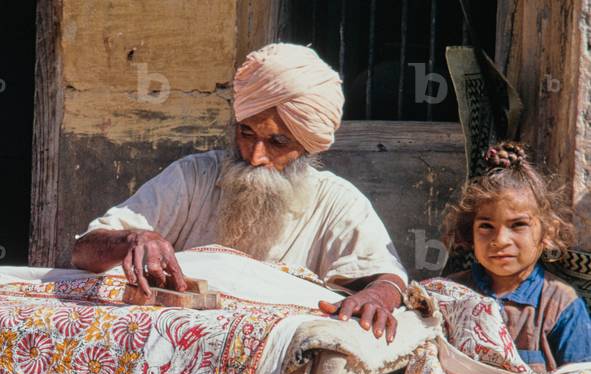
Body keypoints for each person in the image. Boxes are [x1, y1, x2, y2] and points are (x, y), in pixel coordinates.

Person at [71, 43, 407, 342]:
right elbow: (83, 252)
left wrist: (378, 296)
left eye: (277, 142)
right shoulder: (193, 177)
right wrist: (132, 239)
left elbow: (388, 277)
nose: (255, 155)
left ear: (306, 148)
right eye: (246, 133)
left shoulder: (336, 201)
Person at [442, 142, 591, 373]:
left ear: (548, 232)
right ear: (469, 232)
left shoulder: (560, 304)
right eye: (486, 226)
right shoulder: (451, 295)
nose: (500, 240)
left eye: (518, 224)